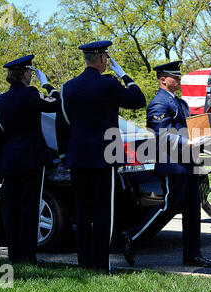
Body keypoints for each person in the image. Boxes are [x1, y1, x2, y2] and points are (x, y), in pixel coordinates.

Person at [57, 40, 146, 273]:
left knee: (83, 213)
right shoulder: (109, 84)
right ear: (104, 59)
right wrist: (124, 75)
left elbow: (62, 124)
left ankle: (84, 263)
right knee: (103, 213)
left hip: (77, 157)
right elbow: (138, 100)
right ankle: (101, 265)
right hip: (104, 157)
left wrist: (67, 152)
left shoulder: (68, 87)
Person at [122, 61, 211, 268]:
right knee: (169, 206)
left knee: (193, 209)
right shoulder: (158, 103)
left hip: (187, 162)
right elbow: (162, 135)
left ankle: (193, 255)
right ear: (163, 79)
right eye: (175, 76)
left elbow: (188, 128)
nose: (179, 79)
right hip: (172, 162)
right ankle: (132, 237)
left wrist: (203, 135)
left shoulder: (181, 103)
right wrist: (188, 141)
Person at [0, 55, 60, 264]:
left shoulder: (0, 100)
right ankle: (29, 256)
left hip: (10, 160)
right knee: (29, 208)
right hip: (31, 160)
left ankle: (14, 255)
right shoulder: (30, 94)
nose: (31, 75)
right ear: (24, 73)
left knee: (12, 210)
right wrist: (47, 84)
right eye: (30, 72)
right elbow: (56, 105)